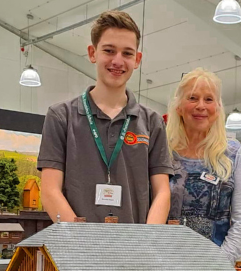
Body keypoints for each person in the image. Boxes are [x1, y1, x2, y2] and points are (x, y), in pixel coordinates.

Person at [37, 11, 173, 224]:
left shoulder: (153, 122)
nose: (118, 61)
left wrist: (147, 239)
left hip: (134, 250)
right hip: (78, 250)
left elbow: (162, 193)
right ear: (93, 53)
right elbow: (49, 191)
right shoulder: (61, 116)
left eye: (127, 53)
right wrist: (84, 242)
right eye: (109, 51)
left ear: (137, 59)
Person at [166, 68, 241, 264]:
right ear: (179, 106)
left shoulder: (232, 153)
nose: (201, 106)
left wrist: (217, 264)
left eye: (208, 99)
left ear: (218, 107)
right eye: (193, 98)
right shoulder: (163, 152)